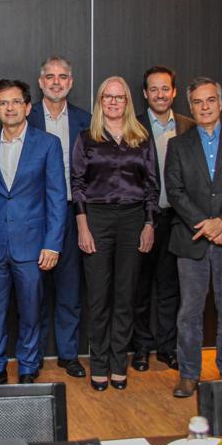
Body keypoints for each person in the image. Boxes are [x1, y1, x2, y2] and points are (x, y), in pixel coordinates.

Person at [164, 77, 222, 398]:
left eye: (210, 100)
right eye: (197, 102)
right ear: (190, 108)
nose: (204, 107)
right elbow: (175, 191)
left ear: (221, 103)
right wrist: (205, 225)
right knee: (189, 313)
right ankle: (189, 374)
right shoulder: (178, 145)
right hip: (191, 241)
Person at [0, 79, 66, 385]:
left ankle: (27, 368)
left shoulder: (48, 144)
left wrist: (52, 244)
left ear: (27, 107)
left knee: (31, 312)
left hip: (33, 245)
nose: (9, 108)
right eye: (3, 103)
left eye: (15, 102)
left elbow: (56, 198)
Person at [71, 76, 158, 392]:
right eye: (107, 96)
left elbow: (152, 185)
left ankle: (118, 363)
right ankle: (99, 365)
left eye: (119, 97)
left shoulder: (142, 138)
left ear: (128, 102)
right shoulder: (87, 138)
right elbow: (77, 184)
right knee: (98, 297)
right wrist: (82, 225)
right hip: (97, 219)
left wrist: (149, 223)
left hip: (133, 220)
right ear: (100, 101)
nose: (113, 102)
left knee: (125, 296)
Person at [26, 55, 91, 378]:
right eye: (49, 77)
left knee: (69, 288)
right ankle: (33, 356)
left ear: (70, 82)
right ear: (40, 83)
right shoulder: (27, 116)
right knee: (34, 289)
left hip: (70, 212)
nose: (56, 82)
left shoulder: (85, 120)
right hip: (34, 214)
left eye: (62, 77)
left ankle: (68, 354)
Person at [132, 66, 195, 373]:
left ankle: (167, 348)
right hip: (142, 220)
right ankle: (142, 348)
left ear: (174, 92)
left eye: (165, 88)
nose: (160, 94)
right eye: (154, 89)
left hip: (177, 220)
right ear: (145, 94)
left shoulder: (189, 127)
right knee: (140, 289)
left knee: (170, 288)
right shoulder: (133, 126)